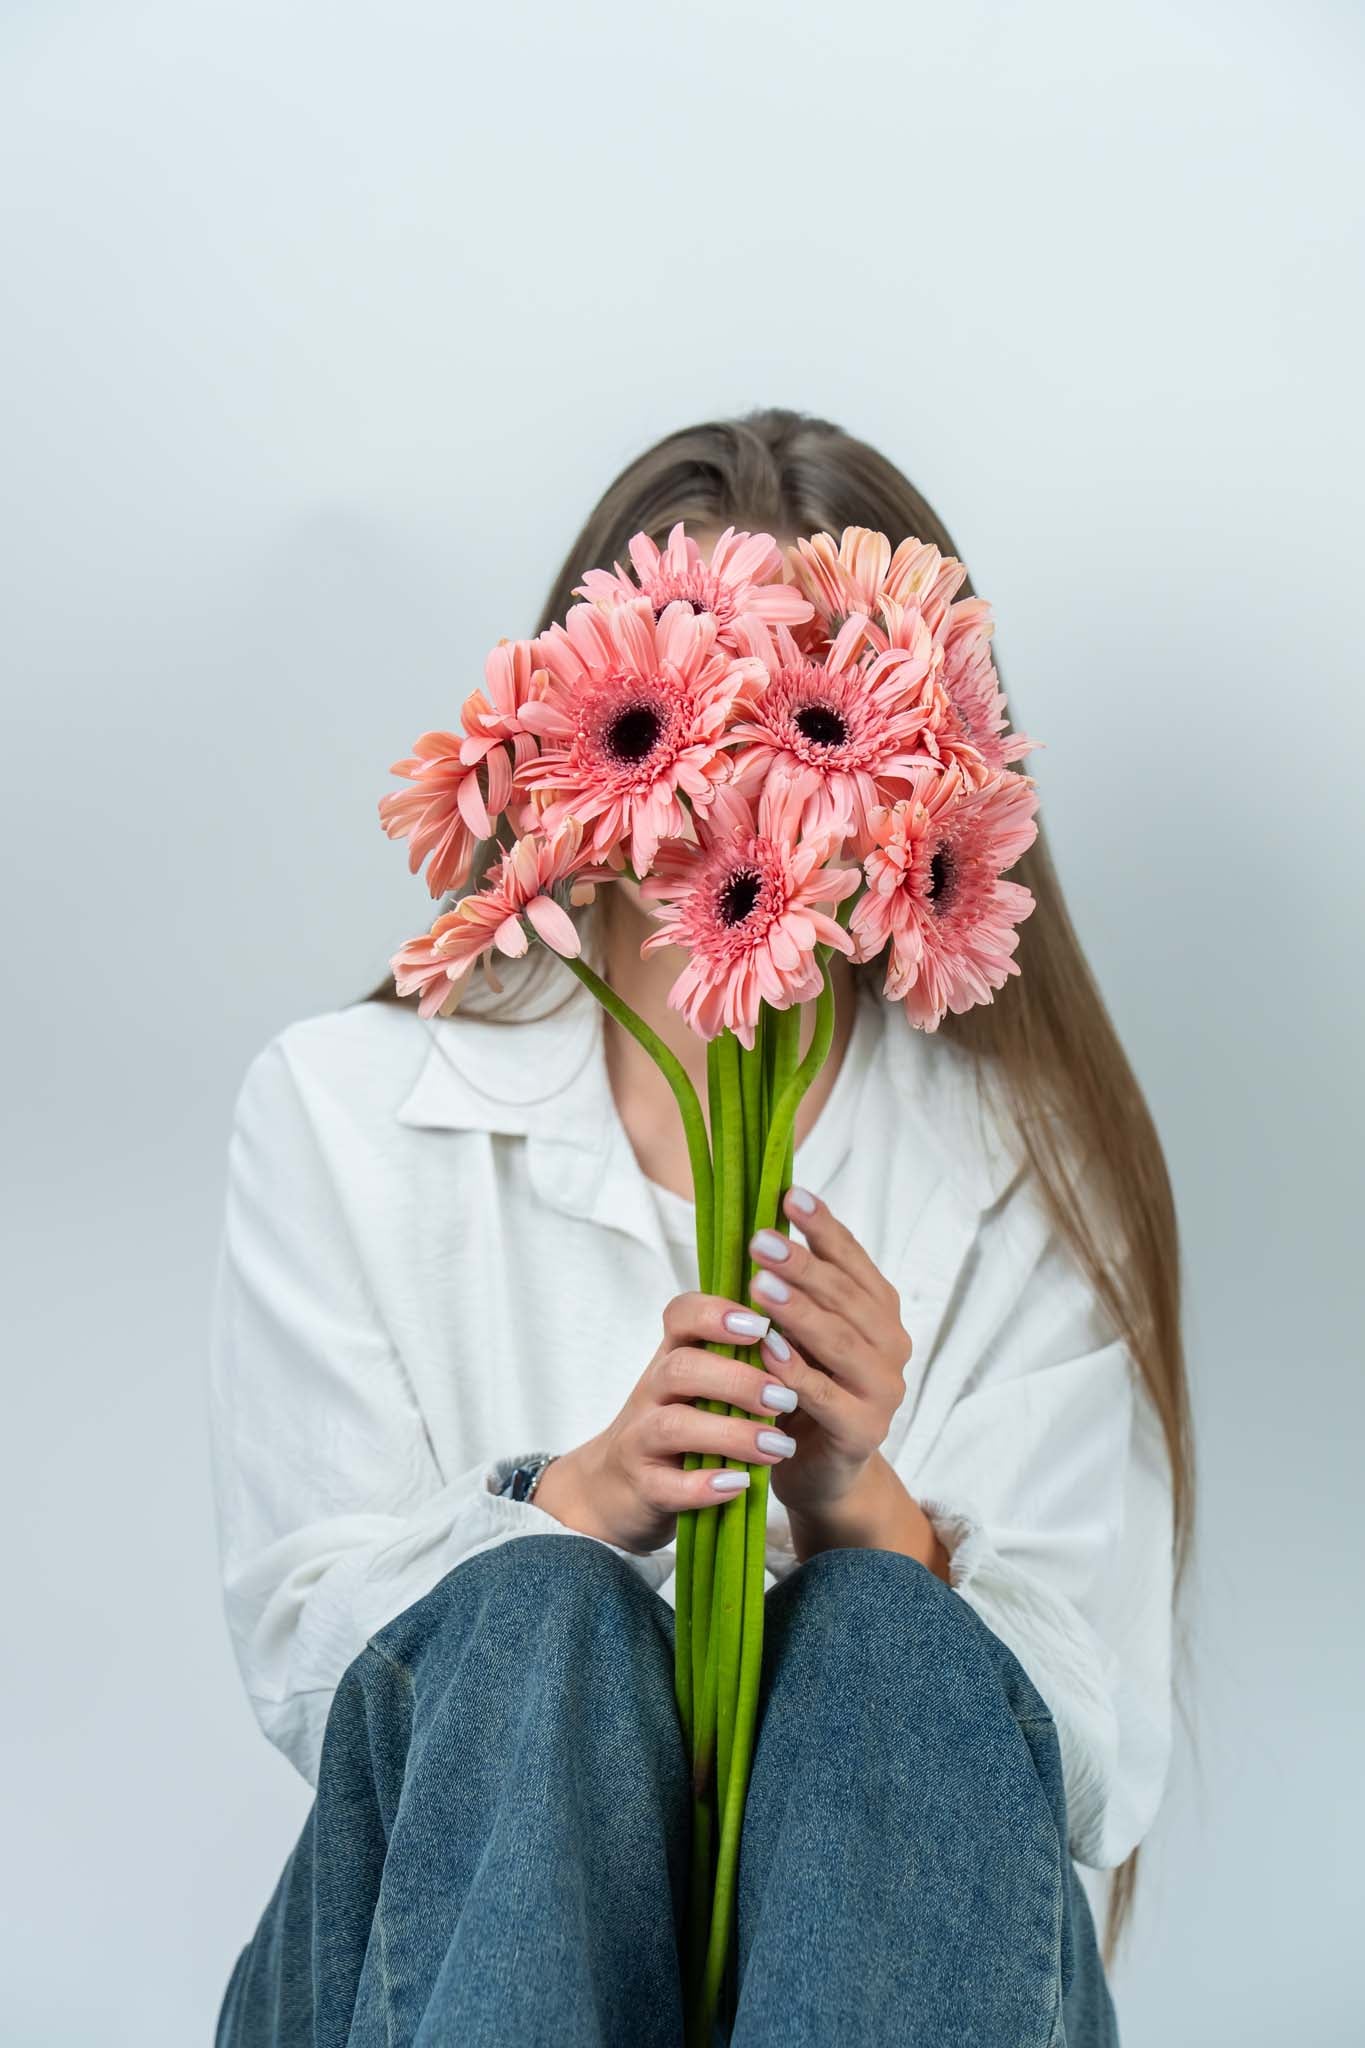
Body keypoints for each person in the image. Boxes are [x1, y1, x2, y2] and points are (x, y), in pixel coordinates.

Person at [208, 407, 1191, 2046]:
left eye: (815, 741)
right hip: (445, 1970)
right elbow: (316, 1681)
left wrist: (859, 1507)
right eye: (697, 734)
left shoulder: (1034, 1164)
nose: (758, 809)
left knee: (889, 1646)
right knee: (537, 1620)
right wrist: (579, 1504)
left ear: (910, 785)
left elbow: (1096, 1764)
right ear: (583, 752)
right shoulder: (337, 1110)